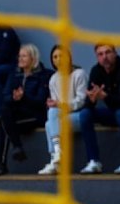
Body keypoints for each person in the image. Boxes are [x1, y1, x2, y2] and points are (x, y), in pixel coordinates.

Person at [0, 43, 51, 176]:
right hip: (17, 115)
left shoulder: (43, 75)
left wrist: (23, 98)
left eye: (24, 56)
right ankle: (14, 150)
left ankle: (2, 162)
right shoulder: (15, 74)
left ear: (33, 58)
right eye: (19, 56)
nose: (20, 59)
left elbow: (40, 102)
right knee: (4, 115)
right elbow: (6, 96)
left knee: (3, 123)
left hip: (36, 115)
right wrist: (15, 99)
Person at [77, 43, 120, 174]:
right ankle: (93, 161)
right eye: (100, 54)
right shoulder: (96, 71)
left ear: (115, 53)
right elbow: (89, 100)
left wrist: (105, 97)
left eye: (108, 53)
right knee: (85, 114)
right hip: (114, 112)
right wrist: (92, 99)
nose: (104, 57)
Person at [38, 45, 89, 175]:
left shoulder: (79, 74)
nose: (58, 59)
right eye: (55, 57)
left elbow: (81, 101)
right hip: (61, 117)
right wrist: (53, 104)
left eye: (61, 56)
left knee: (51, 120)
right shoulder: (53, 79)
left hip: (79, 115)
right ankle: (56, 158)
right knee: (49, 121)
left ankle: (55, 156)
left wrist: (60, 104)